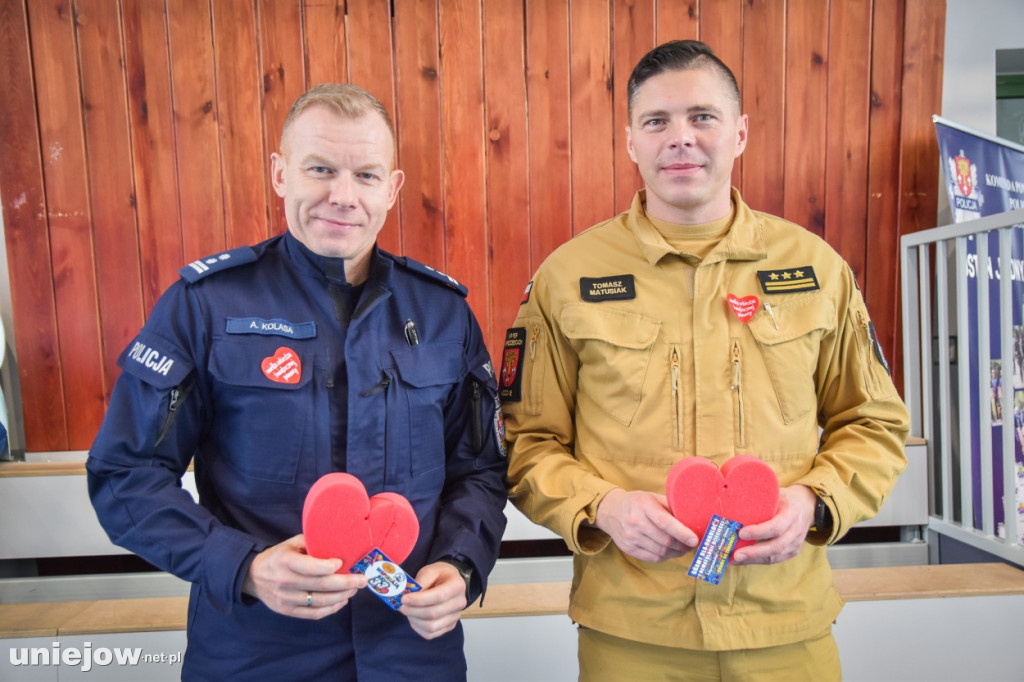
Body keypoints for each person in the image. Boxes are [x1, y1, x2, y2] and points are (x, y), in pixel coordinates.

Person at [502, 40, 909, 681]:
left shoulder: (817, 270)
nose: (680, 138)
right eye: (656, 121)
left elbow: (875, 423)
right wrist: (601, 506)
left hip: (785, 627)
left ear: (740, 132)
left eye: (703, 117)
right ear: (631, 140)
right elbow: (528, 443)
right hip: (633, 634)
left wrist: (814, 501)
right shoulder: (568, 279)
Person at [87, 83, 508, 681]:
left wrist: (463, 564)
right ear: (281, 174)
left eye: (365, 175)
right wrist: (243, 566)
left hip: (412, 655)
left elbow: (480, 470)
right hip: (254, 653)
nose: (342, 196)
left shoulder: (443, 314)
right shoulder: (203, 307)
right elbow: (124, 475)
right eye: (320, 169)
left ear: (392, 188)